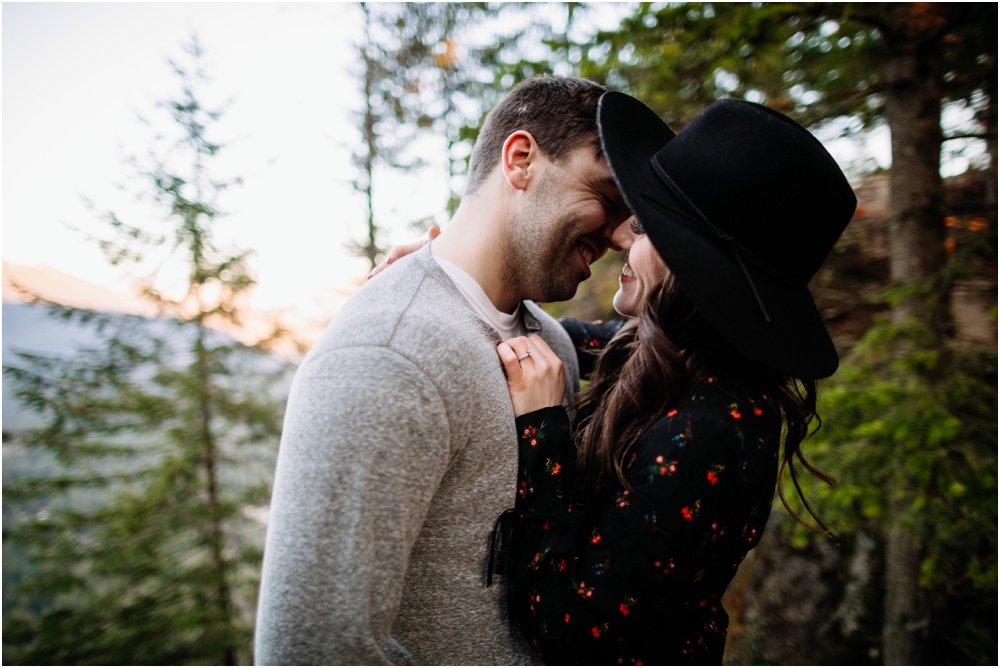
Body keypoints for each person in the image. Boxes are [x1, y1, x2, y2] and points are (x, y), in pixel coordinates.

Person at [253, 75, 630, 665]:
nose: (615, 235)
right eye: (607, 197)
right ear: (522, 159)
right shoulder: (388, 358)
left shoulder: (548, 338)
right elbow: (309, 650)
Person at [484, 93, 858, 664]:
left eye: (647, 223)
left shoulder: (706, 432)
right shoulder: (680, 357)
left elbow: (569, 631)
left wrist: (541, 433)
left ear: (697, 263)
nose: (618, 236)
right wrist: (459, 269)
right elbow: (579, 341)